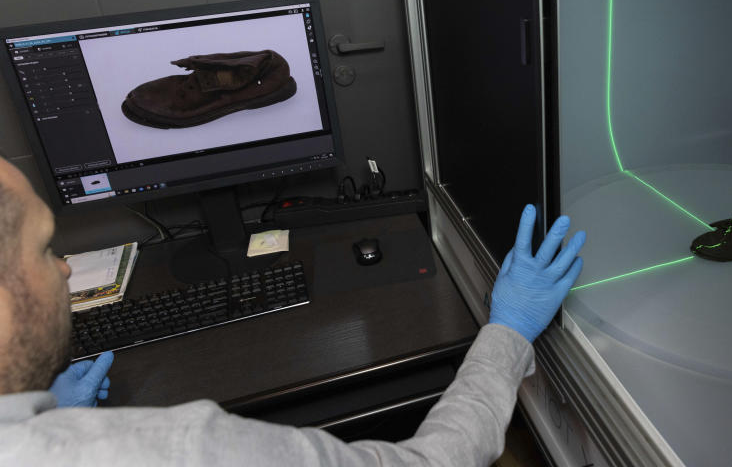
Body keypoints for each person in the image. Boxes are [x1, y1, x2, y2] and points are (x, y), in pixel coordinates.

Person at [0, 156, 585, 466]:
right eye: (47, 248)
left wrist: (44, 408)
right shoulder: (178, 451)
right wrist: (507, 331)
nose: (66, 268)